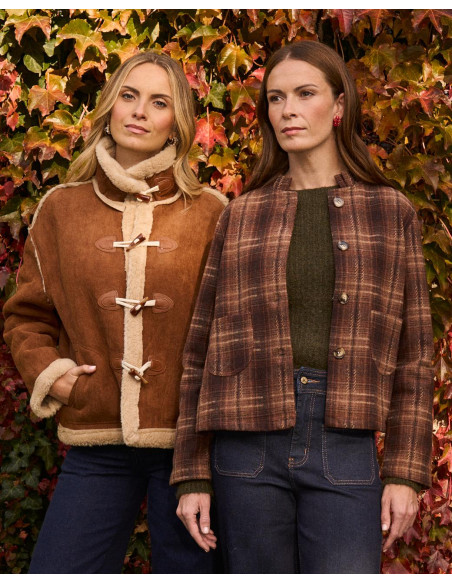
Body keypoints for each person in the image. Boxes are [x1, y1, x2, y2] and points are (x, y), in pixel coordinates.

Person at [170, 40, 434, 574]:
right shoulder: (241, 214)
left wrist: (405, 473)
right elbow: (200, 350)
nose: (288, 110)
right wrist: (191, 472)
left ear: (339, 105)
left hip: (345, 442)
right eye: (276, 98)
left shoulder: (390, 212)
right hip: (245, 443)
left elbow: (415, 356)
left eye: (305, 94)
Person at [3, 50, 226, 574]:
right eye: (129, 96)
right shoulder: (60, 209)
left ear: (178, 123)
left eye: (159, 102)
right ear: (109, 107)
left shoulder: (212, 212)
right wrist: (54, 376)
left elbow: (233, 331)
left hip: (190, 450)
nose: (140, 111)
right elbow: (26, 315)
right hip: (96, 438)